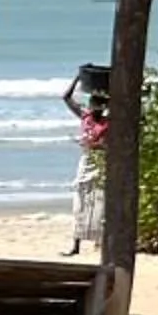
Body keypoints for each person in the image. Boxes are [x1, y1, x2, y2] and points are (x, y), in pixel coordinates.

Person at [64, 63, 111, 254]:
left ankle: (99, 243)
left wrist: (95, 145)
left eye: (100, 105)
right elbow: (66, 97)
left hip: (101, 161)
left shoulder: (109, 122)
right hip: (87, 160)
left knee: (99, 202)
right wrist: (78, 78)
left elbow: (109, 144)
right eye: (94, 104)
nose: (96, 108)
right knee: (80, 201)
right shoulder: (86, 117)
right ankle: (76, 245)